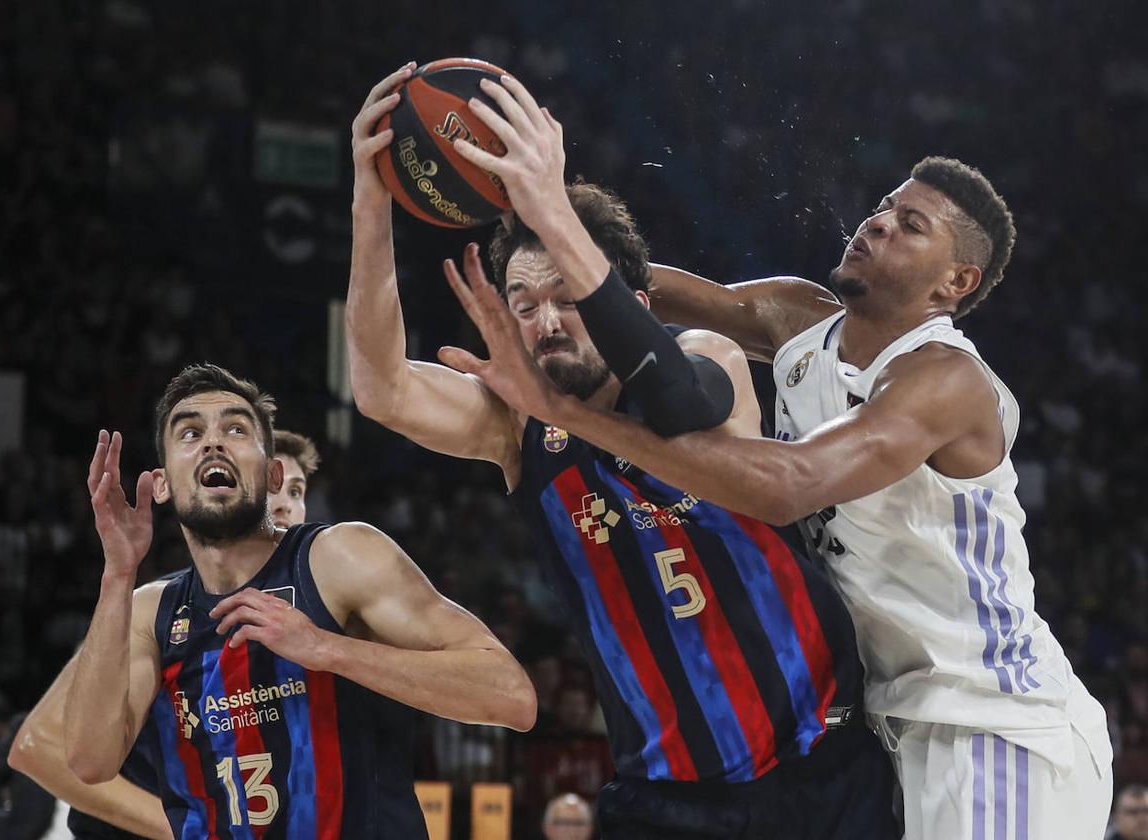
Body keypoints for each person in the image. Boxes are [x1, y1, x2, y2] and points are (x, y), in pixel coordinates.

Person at [435, 79, 1114, 838]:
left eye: (910, 226)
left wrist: (565, 410)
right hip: (892, 723)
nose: (878, 223)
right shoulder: (795, 317)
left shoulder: (943, 381)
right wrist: (535, 220)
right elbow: (623, 288)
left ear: (955, 283)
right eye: (883, 207)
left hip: (992, 722)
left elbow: (787, 488)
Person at [349, 65, 897, 838]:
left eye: (568, 299)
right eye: (524, 305)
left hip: (822, 774)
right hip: (667, 802)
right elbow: (380, 390)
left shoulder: (708, 356)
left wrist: (549, 204)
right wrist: (374, 199)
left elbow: (683, 403)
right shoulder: (519, 424)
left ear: (629, 305)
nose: (545, 321)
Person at [61, 363, 536, 838]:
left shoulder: (339, 559)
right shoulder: (152, 611)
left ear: (272, 475)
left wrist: (327, 649)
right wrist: (119, 572)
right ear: (162, 484)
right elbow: (88, 761)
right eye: (189, 433)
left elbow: (510, 696)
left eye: (235, 428)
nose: (212, 442)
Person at [8, 427, 326, 839]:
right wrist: (186, 829)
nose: (285, 505)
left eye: (297, 492)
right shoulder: (161, 608)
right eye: (272, 485)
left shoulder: (305, 617)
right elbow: (38, 747)